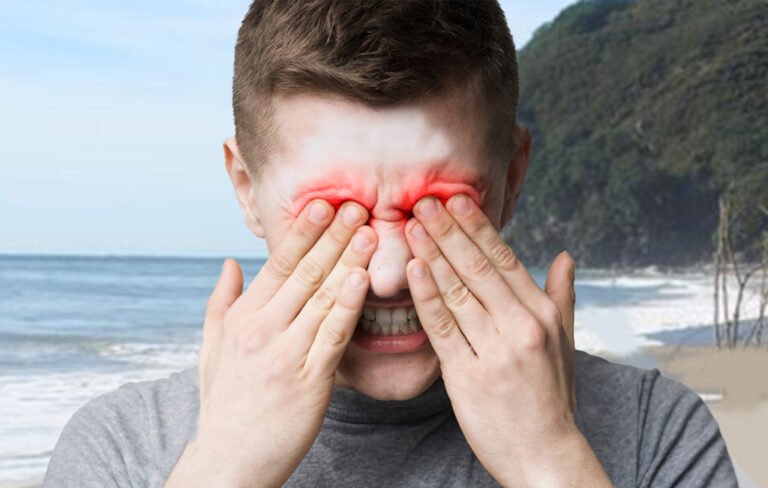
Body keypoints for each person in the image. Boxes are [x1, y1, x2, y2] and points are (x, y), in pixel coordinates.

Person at [44, 1, 737, 487]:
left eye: (437, 207)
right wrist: (223, 469)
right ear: (246, 188)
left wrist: (550, 461)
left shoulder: (654, 430)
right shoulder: (121, 450)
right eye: (335, 213)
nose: (387, 272)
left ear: (513, 178)